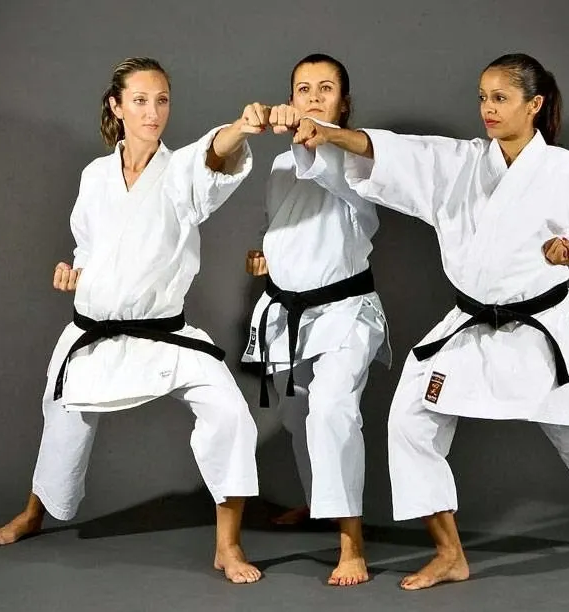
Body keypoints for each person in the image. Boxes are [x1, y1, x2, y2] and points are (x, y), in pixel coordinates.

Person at [287, 52, 569, 590]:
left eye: (501, 98)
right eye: (483, 98)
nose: (488, 109)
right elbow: (391, 152)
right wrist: (328, 134)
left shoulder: (566, 170)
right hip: (470, 324)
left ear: (534, 105)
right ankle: (449, 553)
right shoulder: (460, 163)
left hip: (541, 327)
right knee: (409, 420)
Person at [0, 57, 264, 584]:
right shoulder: (95, 176)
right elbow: (88, 246)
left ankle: (228, 546)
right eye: (140, 100)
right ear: (116, 106)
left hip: (165, 334)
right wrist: (72, 271)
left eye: (162, 100)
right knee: (61, 418)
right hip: (94, 332)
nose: (153, 112)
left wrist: (240, 128)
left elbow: (213, 157)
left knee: (231, 415)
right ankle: (34, 512)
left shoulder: (179, 172)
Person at [239, 54, 390, 586]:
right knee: (299, 413)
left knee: (331, 408)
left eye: (326, 89)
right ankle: (319, 501)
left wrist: (311, 137)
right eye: (303, 89)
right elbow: (283, 227)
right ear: (291, 97)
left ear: (343, 104)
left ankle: (352, 544)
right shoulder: (280, 166)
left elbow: (332, 180)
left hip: (346, 313)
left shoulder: (356, 160)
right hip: (291, 313)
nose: (313, 97)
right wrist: (267, 257)